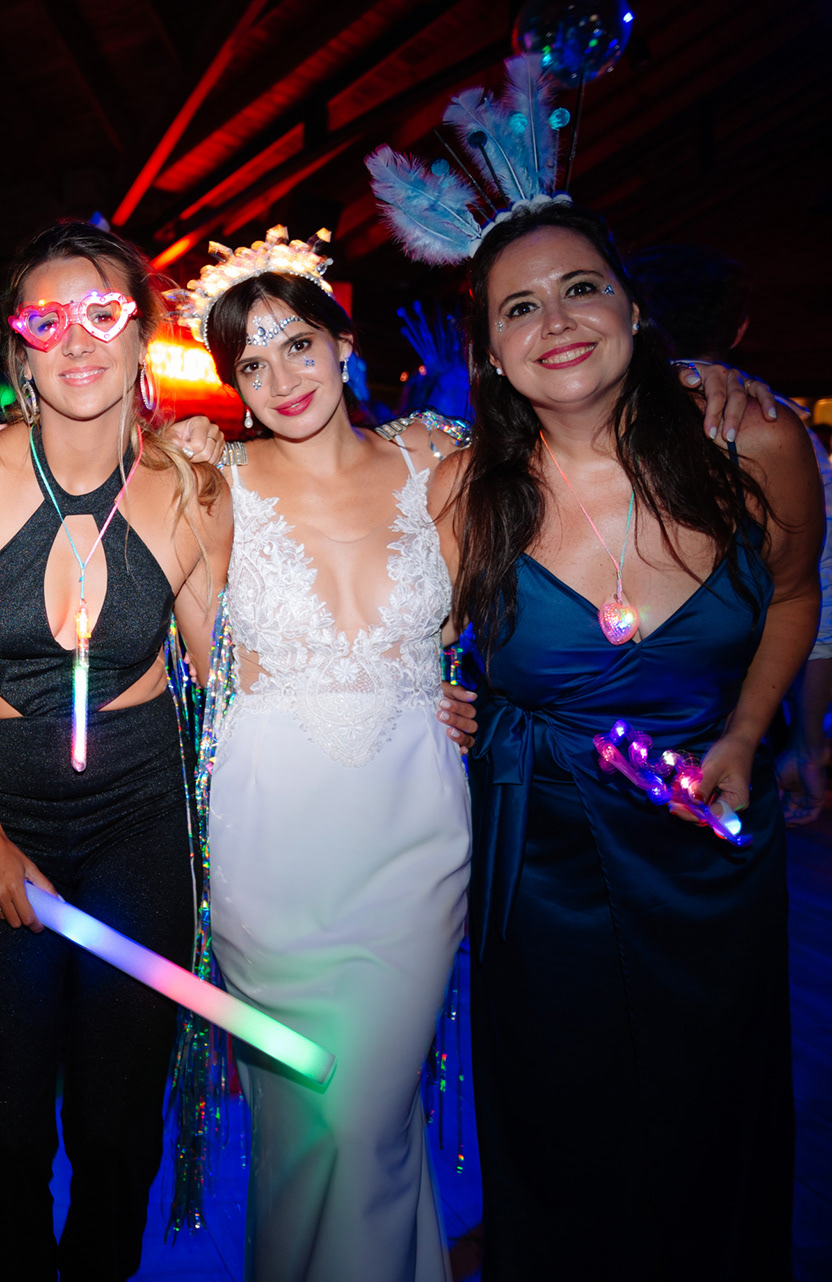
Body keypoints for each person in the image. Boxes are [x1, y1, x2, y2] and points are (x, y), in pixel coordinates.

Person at [440, 201, 816, 1277]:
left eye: (581, 288)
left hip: (710, 838)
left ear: (634, 310)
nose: (556, 320)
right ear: (492, 354)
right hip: (542, 861)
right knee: (563, 1117)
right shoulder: (461, 494)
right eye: (519, 307)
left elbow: (795, 594)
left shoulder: (754, 442)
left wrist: (751, 730)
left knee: (716, 1104)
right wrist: (440, 697)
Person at [0, 221, 227, 1280]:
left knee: (116, 1126)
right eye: (47, 320)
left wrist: (410, 690)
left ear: (142, 337)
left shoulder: (190, 488)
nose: (77, 339)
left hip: (142, 822)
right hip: (3, 822)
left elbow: (227, 676)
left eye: (103, 312)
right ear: (20, 350)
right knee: (5, 1131)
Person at [190, 229, 473, 1281]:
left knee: (364, 1115)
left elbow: (492, 619)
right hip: (271, 843)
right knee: (308, 1124)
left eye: (298, 345)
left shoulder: (436, 458)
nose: (281, 379)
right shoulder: (211, 482)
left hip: (412, 836)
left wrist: (476, 696)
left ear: (344, 345)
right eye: (251, 364)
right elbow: (200, 663)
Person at [630, 244, 832, 825]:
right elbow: (823, 603)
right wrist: (808, 744)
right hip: (713, 733)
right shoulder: (785, 437)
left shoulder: (772, 436)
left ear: (636, 317)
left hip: (716, 743)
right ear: (739, 328)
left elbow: (802, 597)